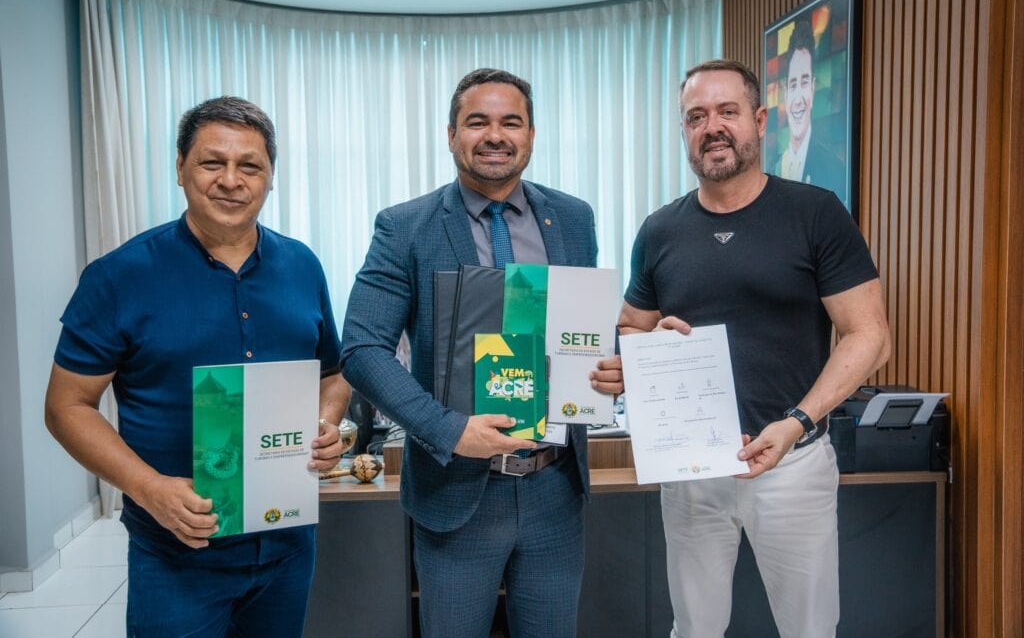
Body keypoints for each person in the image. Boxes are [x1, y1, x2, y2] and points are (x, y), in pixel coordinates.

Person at [45, 96, 352, 637]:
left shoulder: (303, 265)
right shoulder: (118, 276)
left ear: (270, 177)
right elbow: (66, 406)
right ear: (181, 167)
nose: (231, 180)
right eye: (213, 162)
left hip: (287, 543)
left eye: (249, 165)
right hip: (176, 552)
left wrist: (328, 422)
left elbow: (332, 372)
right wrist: (149, 488)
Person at [340, 68, 620, 637]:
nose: (495, 135)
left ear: (531, 135)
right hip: (456, 490)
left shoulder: (572, 218)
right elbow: (362, 349)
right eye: (478, 122)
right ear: (451, 135)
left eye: (510, 121)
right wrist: (447, 429)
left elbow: (581, 330)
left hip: (555, 486)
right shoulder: (405, 226)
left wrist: (620, 362)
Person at [618, 60, 890, 637]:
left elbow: (870, 336)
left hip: (792, 461)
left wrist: (795, 422)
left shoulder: (815, 213)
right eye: (696, 116)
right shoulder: (659, 230)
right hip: (691, 468)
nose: (712, 127)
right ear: (684, 130)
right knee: (693, 629)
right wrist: (651, 344)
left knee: (810, 630)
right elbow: (629, 332)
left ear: (759, 120)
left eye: (727, 112)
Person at [774, 18, 843, 188]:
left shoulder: (834, 167)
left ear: (812, 88)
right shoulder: (772, 168)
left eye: (804, 82)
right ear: (786, 92)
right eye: (793, 84)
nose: (798, 100)